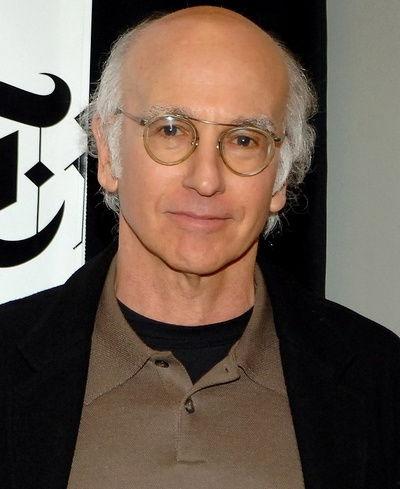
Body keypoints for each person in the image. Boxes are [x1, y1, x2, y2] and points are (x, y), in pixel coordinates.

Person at [0, 6, 399, 489]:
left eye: (244, 139)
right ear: (107, 151)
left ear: (281, 176)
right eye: (170, 129)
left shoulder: (380, 382)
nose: (207, 179)